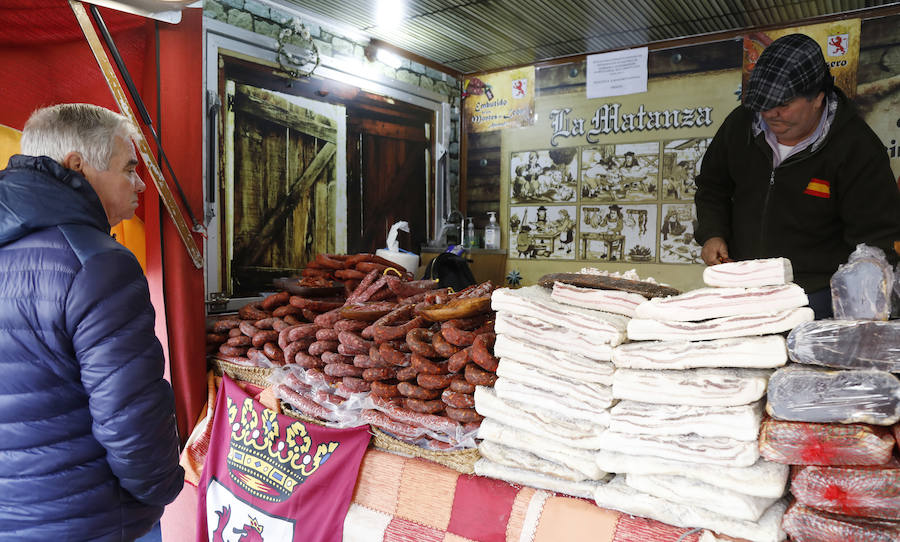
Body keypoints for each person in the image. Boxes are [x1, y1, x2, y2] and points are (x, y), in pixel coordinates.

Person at [0, 104, 184, 540]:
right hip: (96, 520)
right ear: (77, 167)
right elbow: (131, 417)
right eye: (128, 168)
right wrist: (161, 489)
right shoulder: (98, 262)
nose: (140, 183)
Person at [694, 33, 900, 319]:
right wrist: (712, 233)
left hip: (814, 298)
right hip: (742, 290)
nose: (771, 114)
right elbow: (712, 187)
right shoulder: (740, 125)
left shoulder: (857, 149)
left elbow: (877, 240)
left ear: (817, 98)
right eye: (763, 103)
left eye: (784, 104)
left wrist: (858, 304)